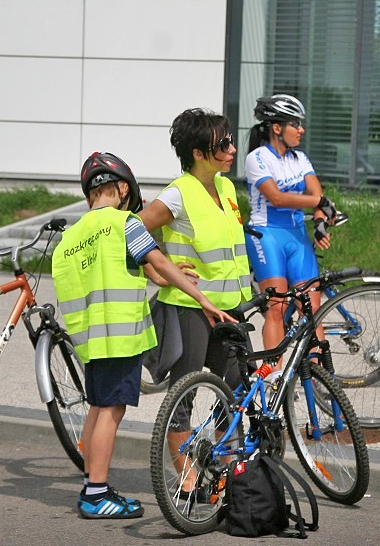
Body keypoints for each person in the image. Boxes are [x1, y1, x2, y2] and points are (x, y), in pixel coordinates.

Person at [52, 151, 233, 520]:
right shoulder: (125, 224)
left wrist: (168, 274)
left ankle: (93, 482)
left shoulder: (70, 240)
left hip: (91, 339)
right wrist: (203, 300)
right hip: (121, 337)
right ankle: (95, 494)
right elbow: (159, 263)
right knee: (112, 410)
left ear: (90, 194)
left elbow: (147, 272)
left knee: (98, 407)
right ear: (120, 189)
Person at [138, 108, 252, 497]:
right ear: (199, 153)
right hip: (187, 309)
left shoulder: (225, 188)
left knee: (235, 391)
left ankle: (223, 472)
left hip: (229, 308)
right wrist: (156, 271)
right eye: (223, 144)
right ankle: (187, 481)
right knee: (184, 395)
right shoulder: (177, 193)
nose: (232, 149)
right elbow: (129, 232)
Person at [243, 94, 340, 353]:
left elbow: (316, 197)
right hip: (267, 235)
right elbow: (276, 197)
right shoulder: (258, 157)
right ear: (277, 128)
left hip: (296, 235)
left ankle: (318, 380)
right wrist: (321, 202)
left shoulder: (300, 158)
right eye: (295, 124)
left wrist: (320, 223)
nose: (301, 130)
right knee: (278, 308)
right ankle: (274, 376)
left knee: (312, 309)